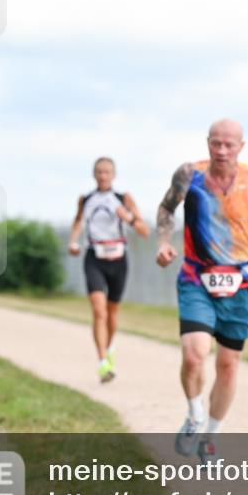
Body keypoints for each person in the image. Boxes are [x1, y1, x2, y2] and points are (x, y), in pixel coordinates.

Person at [156, 118, 248, 463]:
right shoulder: (189, 174)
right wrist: (163, 242)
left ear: (241, 146)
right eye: (216, 143)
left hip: (239, 284)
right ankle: (194, 413)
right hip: (196, 278)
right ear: (207, 142)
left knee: (228, 365)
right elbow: (167, 208)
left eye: (229, 144)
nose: (222, 150)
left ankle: (211, 437)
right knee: (194, 354)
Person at [67, 157, 150, 383]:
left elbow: (144, 231)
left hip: (118, 260)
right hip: (94, 258)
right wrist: (73, 242)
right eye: (99, 172)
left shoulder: (123, 198)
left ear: (113, 175)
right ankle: (103, 362)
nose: (103, 176)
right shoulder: (86, 200)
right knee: (99, 311)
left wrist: (128, 218)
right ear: (94, 174)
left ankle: (109, 346)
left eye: (107, 172)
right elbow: (78, 222)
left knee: (112, 312)